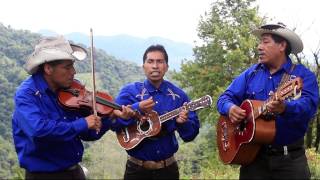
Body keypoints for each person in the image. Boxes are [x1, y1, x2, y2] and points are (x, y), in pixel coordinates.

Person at [12, 36, 135, 179]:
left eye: (73, 65)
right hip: (43, 176)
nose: (74, 72)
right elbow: (39, 131)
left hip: (75, 172)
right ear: (48, 68)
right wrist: (83, 123)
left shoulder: (72, 90)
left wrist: (110, 118)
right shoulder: (27, 94)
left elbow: (88, 134)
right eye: (67, 67)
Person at [216, 22, 319, 179]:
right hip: (252, 158)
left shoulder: (303, 76)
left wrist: (285, 108)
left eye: (265, 42)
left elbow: (309, 107)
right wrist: (230, 108)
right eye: (260, 42)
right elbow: (224, 98)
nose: (259, 47)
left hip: (290, 162)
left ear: (282, 45)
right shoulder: (251, 73)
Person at [114, 44, 200, 180]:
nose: (155, 66)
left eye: (160, 61)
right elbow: (112, 123)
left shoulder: (179, 96)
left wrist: (182, 123)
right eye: (150, 61)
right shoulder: (129, 92)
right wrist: (137, 108)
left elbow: (190, 135)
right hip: (136, 170)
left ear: (166, 67)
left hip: (168, 170)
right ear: (143, 67)